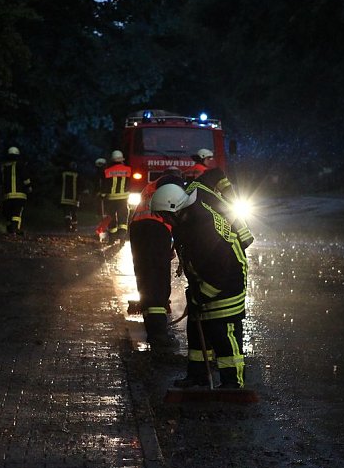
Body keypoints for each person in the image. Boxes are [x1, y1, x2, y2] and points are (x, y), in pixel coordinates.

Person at [149, 181, 248, 388]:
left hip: (228, 281)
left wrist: (200, 297)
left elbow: (219, 272)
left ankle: (233, 383)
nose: (164, 220)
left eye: (165, 216)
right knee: (197, 326)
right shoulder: (188, 218)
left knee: (222, 331)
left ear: (175, 210)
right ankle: (198, 376)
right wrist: (195, 294)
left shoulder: (204, 230)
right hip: (209, 278)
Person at [128, 169, 182, 347]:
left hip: (138, 229)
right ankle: (159, 335)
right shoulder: (171, 181)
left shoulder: (150, 187)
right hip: (156, 228)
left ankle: (153, 329)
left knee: (145, 277)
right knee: (158, 280)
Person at [185, 149, 254, 251]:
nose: (212, 161)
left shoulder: (189, 170)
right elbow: (226, 191)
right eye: (210, 158)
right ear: (204, 158)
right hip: (207, 202)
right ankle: (243, 241)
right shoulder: (209, 172)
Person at [100, 150, 132, 243]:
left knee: (111, 217)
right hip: (123, 198)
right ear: (121, 160)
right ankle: (122, 236)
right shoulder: (128, 170)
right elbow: (130, 183)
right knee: (123, 216)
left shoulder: (107, 171)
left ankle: (112, 237)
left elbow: (105, 185)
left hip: (111, 198)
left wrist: (102, 194)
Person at [0, 146, 31, 234]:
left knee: (8, 213)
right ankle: (15, 229)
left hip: (8, 195)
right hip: (19, 195)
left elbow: (1, 180)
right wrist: (29, 187)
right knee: (16, 213)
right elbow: (26, 178)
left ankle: (9, 229)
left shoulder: (4, 167)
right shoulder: (20, 165)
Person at [59, 161, 81, 232]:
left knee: (66, 213)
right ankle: (74, 228)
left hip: (65, 198)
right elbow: (81, 185)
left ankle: (67, 227)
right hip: (75, 198)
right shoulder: (77, 175)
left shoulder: (63, 174)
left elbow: (58, 183)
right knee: (74, 213)